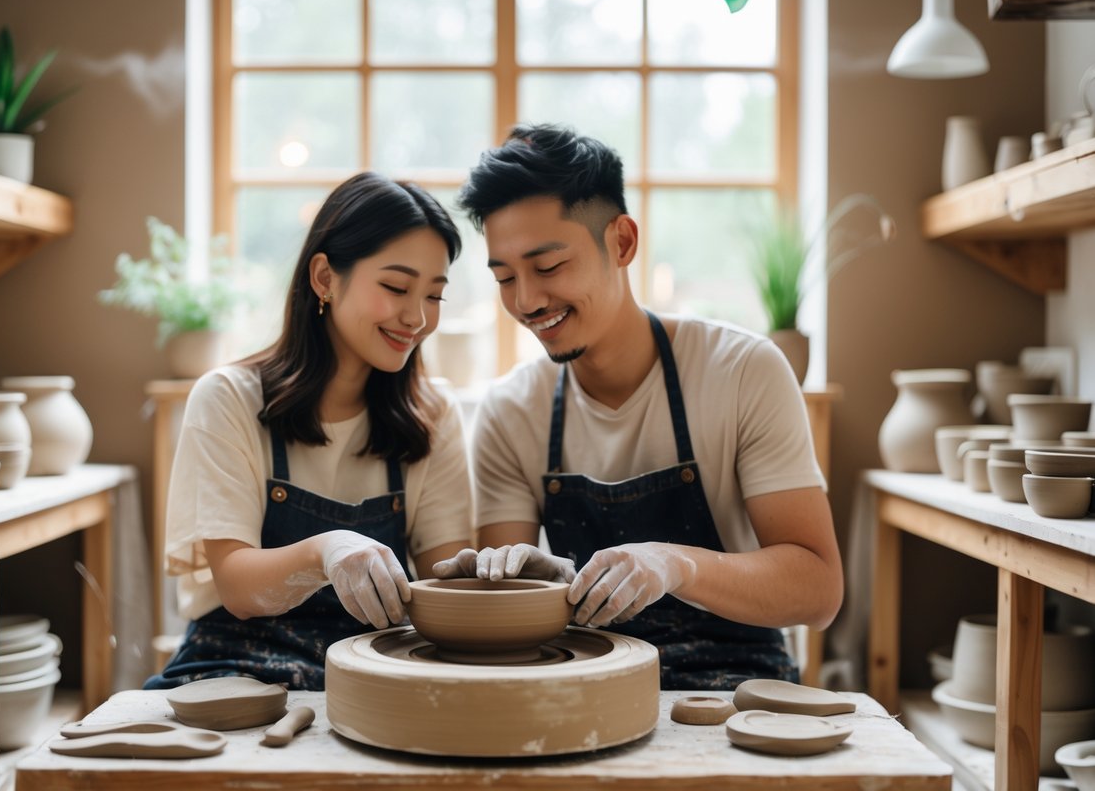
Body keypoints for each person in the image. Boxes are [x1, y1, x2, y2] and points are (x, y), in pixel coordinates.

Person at [434, 124, 843, 689]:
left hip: (737, 680)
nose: (526, 301)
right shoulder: (510, 411)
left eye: (548, 267)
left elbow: (818, 590)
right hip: (587, 679)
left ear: (622, 242)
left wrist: (674, 564)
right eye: (505, 278)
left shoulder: (743, 370)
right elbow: (514, 613)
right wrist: (533, 583)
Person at [146, 171, 473, 690]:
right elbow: (236, 584)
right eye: (395, 287)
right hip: (234, 658)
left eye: (434, 296)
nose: (416, 317)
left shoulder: (433, 414)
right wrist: (328, 551)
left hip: (374, 663)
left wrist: (503, 574)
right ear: (325, 278)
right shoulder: (228, 398)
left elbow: (442, 581)